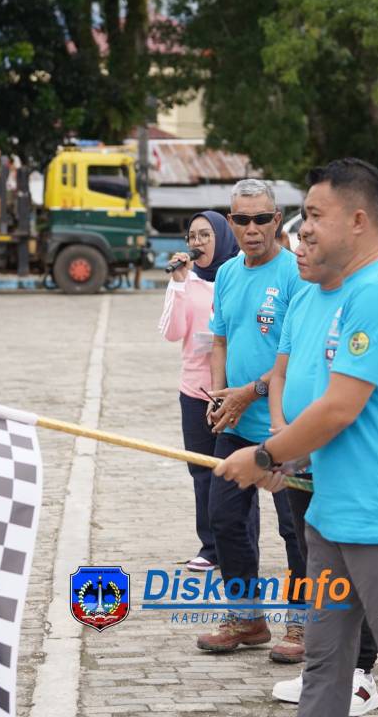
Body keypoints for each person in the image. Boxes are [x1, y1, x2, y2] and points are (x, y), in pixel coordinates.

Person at [215, 158, 378, 717]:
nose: (302, 228)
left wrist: (263, 454)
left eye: (313, 214)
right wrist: (289, 459)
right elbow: (313, 399)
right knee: (325, 661)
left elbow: (341, 407)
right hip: (330, 517)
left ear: (358, 220)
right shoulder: (335, 290)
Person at [267, 216, 378, 715]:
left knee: (362, 573)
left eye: (308, 243)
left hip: (341, 462)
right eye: (296, 244)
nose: (298, 252)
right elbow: (281, 374)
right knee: (316, 568)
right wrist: (278, 433)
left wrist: (292, 447)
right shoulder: (301, 300)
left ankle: (360, 674)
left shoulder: (361, 300)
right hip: (296, 459)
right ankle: (324, 669)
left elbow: (345, 402)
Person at [195, 179, 308, 663]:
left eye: (262, 218)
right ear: (231, 222)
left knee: (295, 531)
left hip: (285, 428)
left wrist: (252, 393)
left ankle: (304, 624)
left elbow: (296, 354)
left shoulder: (294, 274)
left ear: (277, 220)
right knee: (224, 518)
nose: (252, 228)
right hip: (236, 425)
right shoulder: (226, 274)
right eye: (242, 220)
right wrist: (221, 394)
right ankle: (246, 617)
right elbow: (219, 339)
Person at [158, 210, 240, 572]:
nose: (198, 242)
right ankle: (210, 547)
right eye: (192, 236)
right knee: (202, 471)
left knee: (233, 472)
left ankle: (237, 544)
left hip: (235, 389)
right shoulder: (184, 281)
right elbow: (172, 332)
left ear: (221, 237)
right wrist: (177, 283)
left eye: (206, 235)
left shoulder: (238, 274)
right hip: (194, 389)